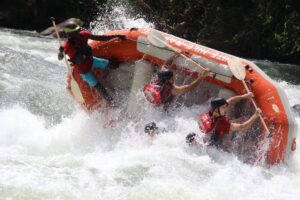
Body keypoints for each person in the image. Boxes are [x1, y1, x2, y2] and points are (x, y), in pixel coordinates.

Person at [58, 22, 126, 102]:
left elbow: (100, 38)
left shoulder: (84, 35)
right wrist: (60, 53)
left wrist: (116, 36)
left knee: (114, 64)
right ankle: (112, 103)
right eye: (76, 32)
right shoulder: (66, 46)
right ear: (70, 35)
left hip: (92, 61)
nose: (79, 33)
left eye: (78, 30)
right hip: (85, 72)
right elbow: (60, 58)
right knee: (100, 88)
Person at [143, 66, 211, 108]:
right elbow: (189, 87)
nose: (174, 79)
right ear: (167, 81)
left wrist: (176, 55)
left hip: (156, 107)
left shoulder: (157, 81)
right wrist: (202, 76)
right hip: (165, 110)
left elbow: (165, 65)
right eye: (172, 78)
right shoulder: (172, 89)